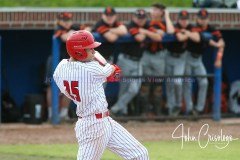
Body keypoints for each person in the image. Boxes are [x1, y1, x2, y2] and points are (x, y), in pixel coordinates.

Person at [53, 30, 149, 160]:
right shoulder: (91, 69)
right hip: (92, 125)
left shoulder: (60, 67)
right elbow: (114, 71)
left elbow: (66, 90)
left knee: (140, 155)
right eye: (90, 49)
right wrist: (108, 66)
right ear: (79, 52)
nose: (93, 51)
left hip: (105, 120)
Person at [110, 9, 161, 116]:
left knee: (134, 88)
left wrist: (146, 31)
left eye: (142, 18)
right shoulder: (131, 25)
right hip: (125, 60)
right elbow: (140, 38)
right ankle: (122, 112)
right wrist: (147, 33)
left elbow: (158, 37)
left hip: (138, 61)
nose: (140, 20)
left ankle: (114, 109)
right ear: (134, 18)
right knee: (123, 88)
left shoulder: (146, 26)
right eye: (138, 17)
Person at [45, 12, 88, 121]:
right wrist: (76, 33)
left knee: (69, 87)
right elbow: (66, 38)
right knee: (52, 86)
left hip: (69, 62)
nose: (66, 22)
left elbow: (88, 31)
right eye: (64, 20)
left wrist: (76, 31)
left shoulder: (74, 27)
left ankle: (63, 114)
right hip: (55, 61)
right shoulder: (58, 28)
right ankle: (51, 114)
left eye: (68, 20)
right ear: (59, 21)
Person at [184, 8, 225, 115]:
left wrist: (219, 58)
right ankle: (189, 108)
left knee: (204, 82)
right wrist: (216, 44)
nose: (203, 20)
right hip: (187, 57)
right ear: (197, 19)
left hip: (198, 59)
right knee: (187, 83)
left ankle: (198, 109)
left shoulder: (211, 28)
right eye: (201, 18)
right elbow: (202, 38)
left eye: (205, 18)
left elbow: (222, 42)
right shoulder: (192, 27)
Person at [139, 3, 175, 116]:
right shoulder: (146, 22)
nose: (154, 11)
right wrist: (154, 32)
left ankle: (157, 112)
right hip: (146, 54)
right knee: (145, 84)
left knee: (158, 84)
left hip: (159, 56)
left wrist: (167, 16)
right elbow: (139, 30)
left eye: (157, 10)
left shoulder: (164, 23)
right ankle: (144, 112)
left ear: (162, 12)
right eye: (153, 9)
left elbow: (171, 31)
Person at [165, 10, 193, 116]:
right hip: (169, 56)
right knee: (169, 83)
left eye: (186, 19)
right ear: (178, 19)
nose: (184, 22)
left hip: (181, 58)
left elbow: (197, 36)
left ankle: (178, 105)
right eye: (182, 19)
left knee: (177, 82)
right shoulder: (175, 26)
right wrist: (188, 34)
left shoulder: (191, 27)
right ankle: (171, 108)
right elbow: (176, 35)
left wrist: (188, 33)